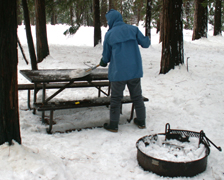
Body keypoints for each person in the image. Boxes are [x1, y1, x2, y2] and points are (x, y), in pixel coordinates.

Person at [100, 9, 150, 132]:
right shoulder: (133, 29)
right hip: (134, 71)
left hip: (118, 73)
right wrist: (147, 37)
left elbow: (106, 56)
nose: (108, 23)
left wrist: (104, 61)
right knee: (137, 96)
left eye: (108, 20)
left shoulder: (110, 34)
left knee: (116, 98)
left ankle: (114, 124)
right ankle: (141, 121)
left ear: (112, 20)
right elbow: (145, 44)